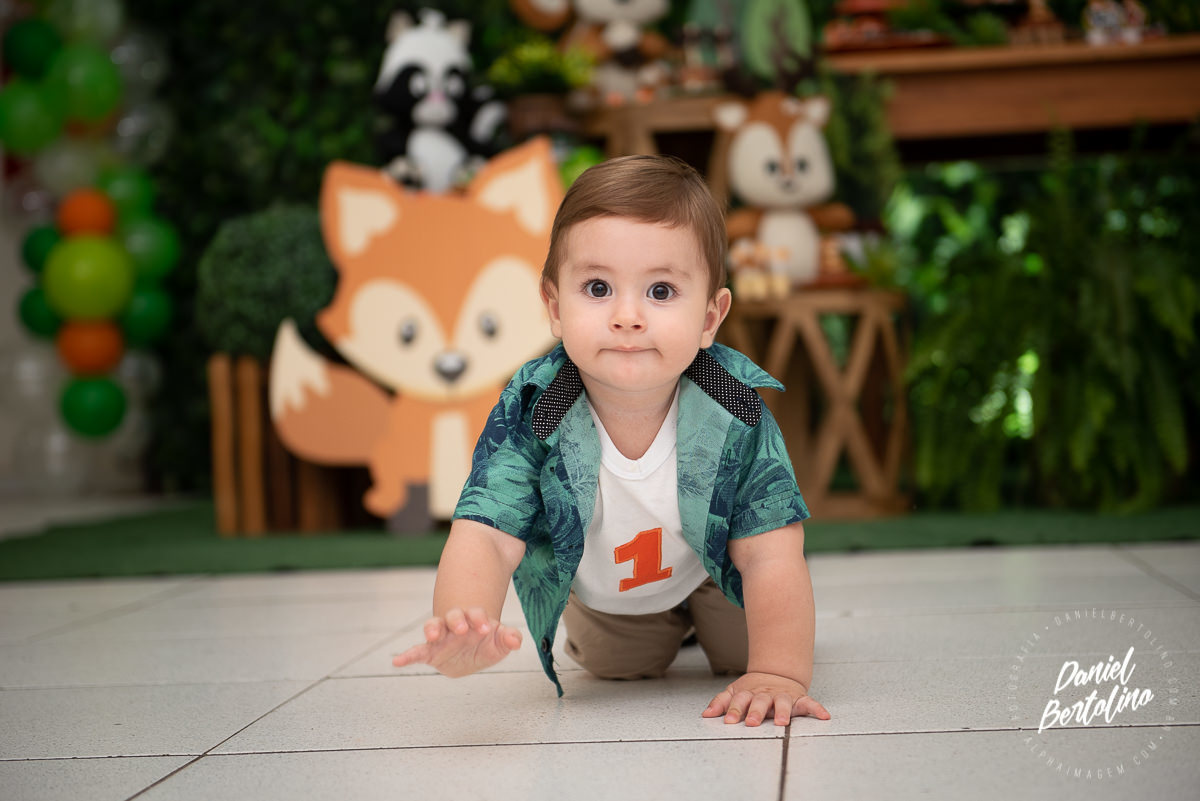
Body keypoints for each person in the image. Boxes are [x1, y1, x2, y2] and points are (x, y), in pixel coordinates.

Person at [394, 154, 830, 727]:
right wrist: (461, 619)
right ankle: (650, 632)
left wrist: (779, 671)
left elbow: (771, 550)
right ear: (555, 305)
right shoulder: (536, 409)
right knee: (619, 666)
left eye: (661, 291)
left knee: (743, 658)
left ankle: (716, 629)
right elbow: (488, 535)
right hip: (613, 598)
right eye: (598, 288)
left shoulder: (734, 406)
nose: (627, 316)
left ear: (709, 317)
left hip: (717, 572)